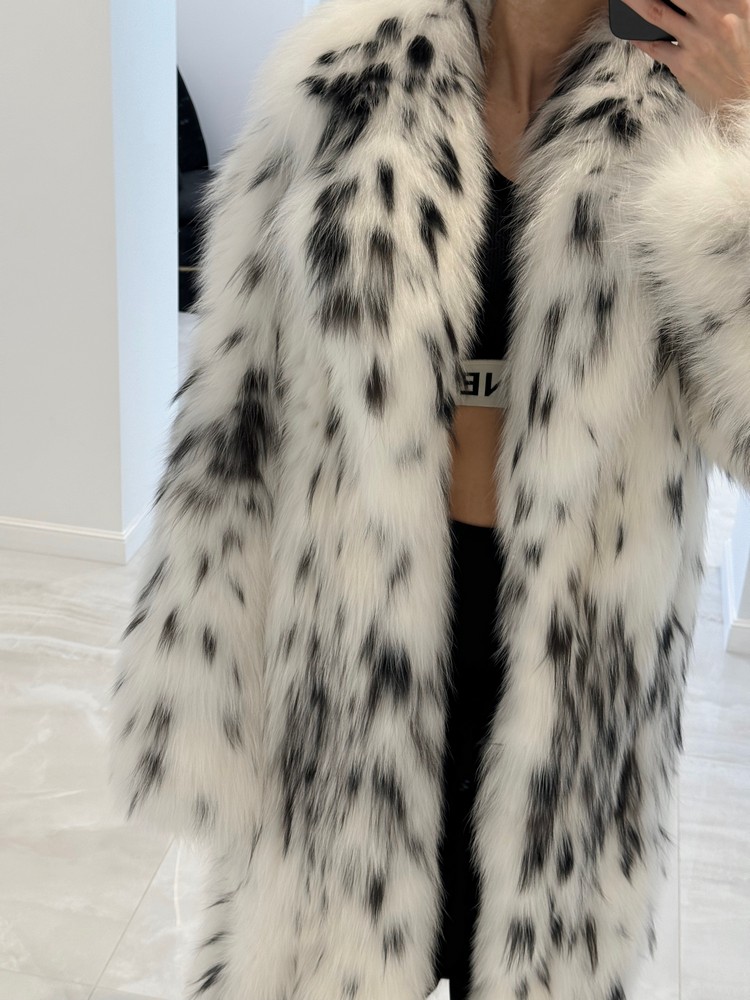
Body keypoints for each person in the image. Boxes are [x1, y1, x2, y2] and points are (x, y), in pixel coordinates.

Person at [107, 2, 750, 998]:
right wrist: (193, 693)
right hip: (356, 652)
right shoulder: (345, 73)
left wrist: (740, 140)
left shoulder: (695, 104)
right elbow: (235, 409)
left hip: (577, 679)